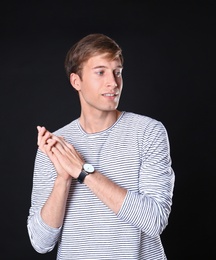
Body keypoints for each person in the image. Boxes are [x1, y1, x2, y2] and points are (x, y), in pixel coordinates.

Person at [27, 33, 175, 259]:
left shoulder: (148, 132)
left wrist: (84, 172)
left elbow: (154, 220)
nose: (113, 83)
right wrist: (63, 179)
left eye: (117, 72)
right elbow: (40, 242)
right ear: (76, 81)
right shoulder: (57, 146)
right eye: (101, 72)